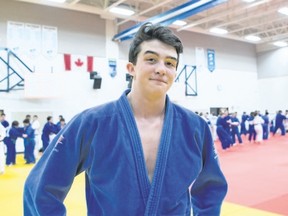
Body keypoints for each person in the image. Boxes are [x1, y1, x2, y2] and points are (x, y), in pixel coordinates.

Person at [23, 23, 227, 215]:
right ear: (131, 68)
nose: (161, 69)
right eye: (151, 59)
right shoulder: (92, 123)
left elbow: (211, 187)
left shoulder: (194, 127)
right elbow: (39, 188)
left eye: (170, 63)